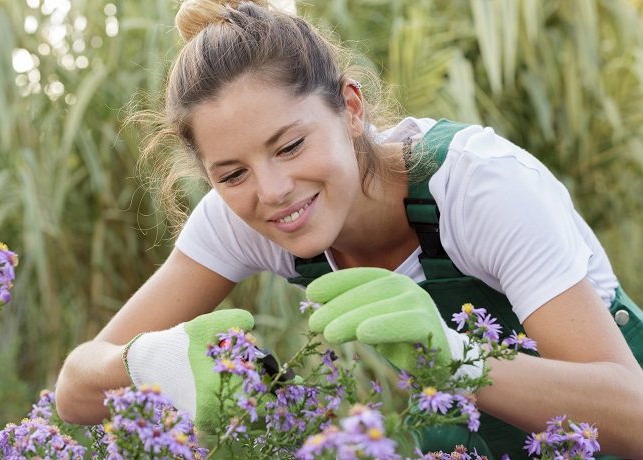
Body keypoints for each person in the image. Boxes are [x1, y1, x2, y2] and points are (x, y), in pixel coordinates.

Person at [54, 1, 643, 458]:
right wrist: (152, 362)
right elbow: (75, 388)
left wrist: (454, 357)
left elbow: (633, 414)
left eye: (290, 145)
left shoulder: (478, 188)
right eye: (230, 173)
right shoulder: (245, 214)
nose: (273, 191)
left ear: (352, 109)